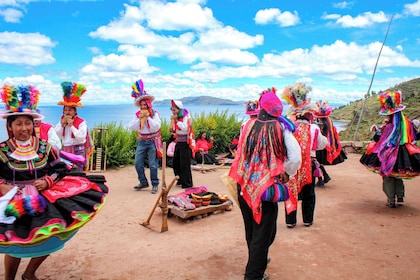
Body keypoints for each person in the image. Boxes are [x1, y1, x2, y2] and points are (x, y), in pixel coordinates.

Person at [0, 84, 108, 280]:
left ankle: (30, 273)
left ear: (34, 125)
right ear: (10, 126)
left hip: (42, 200)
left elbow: (61, 168)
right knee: (15, 244)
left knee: (48, 238)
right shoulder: (2, 151)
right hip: (11, 202)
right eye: (18, 123)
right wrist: (1, 185)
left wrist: (48, 180)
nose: (24, 128)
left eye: (28, 123)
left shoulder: (44, 147)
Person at [229, 88, 301, 280]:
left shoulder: (247, 125)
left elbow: (240, 151)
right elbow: (295, 157)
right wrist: (286, 172)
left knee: (251, 228)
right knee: (265, 233)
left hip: (244, 184)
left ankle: (256, 261)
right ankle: (253, 275)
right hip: (266, 188)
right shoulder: (282, 128)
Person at [360, 90, 420, 208]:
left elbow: (379, 139)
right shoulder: (407, 124)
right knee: (398, 173)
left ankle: (391, 200)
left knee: (388, 176)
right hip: (404, 153)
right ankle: (400, 196)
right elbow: (414, 135)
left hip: (390, 153)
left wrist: (377, 131)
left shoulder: (389, 126)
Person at [281, 83, 328, 228]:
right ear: (309, 114)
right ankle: (307, 219)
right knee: (309, 193)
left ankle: (290, 221)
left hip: (291, 165)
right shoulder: (313, 128)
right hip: (308, 166)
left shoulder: (287, 128)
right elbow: (322, 144)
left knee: (290, 191)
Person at [128, 79, 163, 194]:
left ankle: (155, 184)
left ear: (148, 105)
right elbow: (131, 127)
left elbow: (156, 127)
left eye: (145, 105)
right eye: (141, 105)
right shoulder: (137, 115)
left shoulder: (154, 114)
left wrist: (147, 117)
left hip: (153, 140)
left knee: (153, 165)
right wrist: (140, 119)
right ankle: (143, 182)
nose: (143, 107)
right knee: (138, 163)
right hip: (142, 141)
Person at [54, 81, 92, 171]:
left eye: (70, 110)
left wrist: (72, 126)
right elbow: (56, 134)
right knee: (66, 171)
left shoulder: (81, 122)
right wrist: (62, 125)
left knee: (78, 171)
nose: (67, 112)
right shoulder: (62, 120)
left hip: (77, 149)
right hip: (65, 149)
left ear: (75, 111)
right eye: (65, 110)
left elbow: (81, 138)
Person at [314, 100, 347, 186]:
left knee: (316, 163)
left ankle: (322, 178)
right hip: (325, 145)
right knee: (317, 163)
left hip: (321, 146)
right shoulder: (328, 122)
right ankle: (323, 177)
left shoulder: (321, 124)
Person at [170, 100, 195, 189]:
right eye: (172, 110)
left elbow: (185, 128)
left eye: (175, 110)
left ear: (179, 109)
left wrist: (177, 121)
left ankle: (187, 183)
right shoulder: (177, 118)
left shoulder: (186, 116)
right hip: (179, 142)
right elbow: (176, 130)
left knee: (184, 163)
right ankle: (180, 179)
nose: (173, 112)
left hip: (185, 143)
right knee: (175, 162)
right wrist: (172, 128)